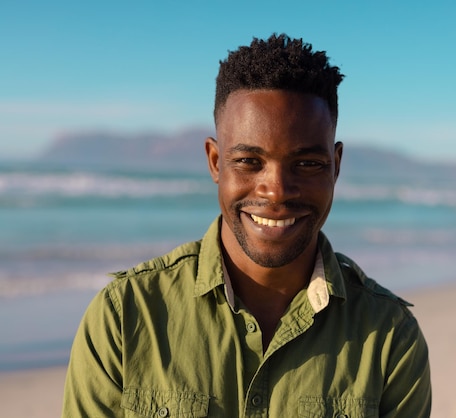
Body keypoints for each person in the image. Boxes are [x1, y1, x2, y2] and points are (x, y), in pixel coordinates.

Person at [62, 33, 431, 417]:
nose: (276, 192)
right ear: (214, 161)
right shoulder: (125, 317)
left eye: (306, 164)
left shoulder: (390, 337)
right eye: (249, 162)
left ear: (335, 166)